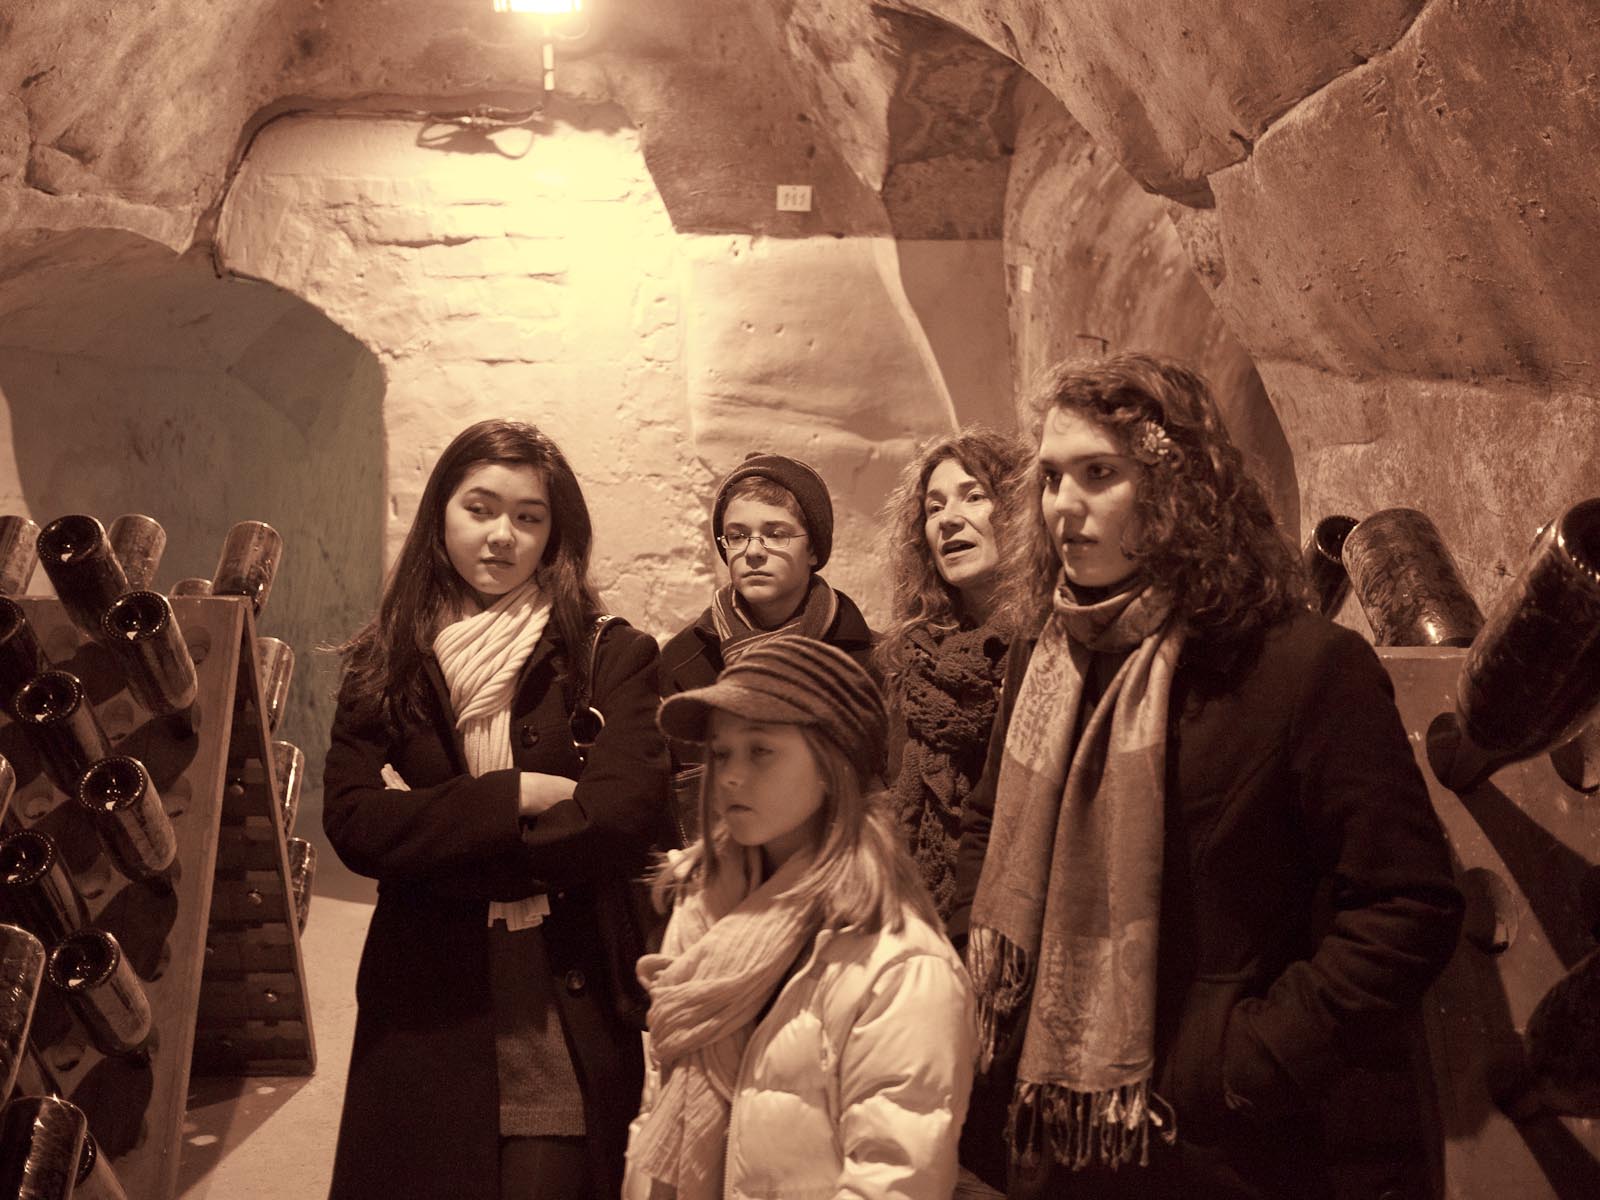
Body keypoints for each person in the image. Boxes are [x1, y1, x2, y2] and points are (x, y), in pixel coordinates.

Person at [952, 354, 1464, 1199]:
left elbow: (1407, 903)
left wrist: (1242, 1061)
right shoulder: (1045, 659)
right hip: (1043, 1126)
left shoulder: (1300, 668)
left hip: (1217, 1152)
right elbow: (986, 828)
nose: (1063, 505)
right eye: (1050, 477)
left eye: (1099, 474)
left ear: (1176, 486)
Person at [322, 419, 670, 1200]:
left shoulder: (611, 654)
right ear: (441, 515)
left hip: (562, 996)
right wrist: (513, 796)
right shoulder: (386, 661)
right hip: (426, 1006)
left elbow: (620, 818)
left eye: (528, 516)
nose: (502, 535)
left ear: (555, 534)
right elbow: (351, 821)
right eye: (480, 509)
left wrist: (432, 846)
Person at [625, 636, 974, 1200]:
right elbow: (657, 1114)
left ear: (833, 764)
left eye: (761, 750)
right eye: (721, 753)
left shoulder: (898, 965)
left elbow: (894, 1180)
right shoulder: (703, 914)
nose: (729, 775)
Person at [658, 452, 875, 830]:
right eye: (737, 536)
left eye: (776, 534)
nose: (754, 551)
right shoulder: (683, 662)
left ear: (813, 550)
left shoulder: (871, 659)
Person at [875, 427, 1028, 923]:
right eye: (934, 507)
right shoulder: (911, 662)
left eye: (974, 496)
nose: (948, 519)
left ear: (1021, 509)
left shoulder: (1048, 647)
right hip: (924, 916)